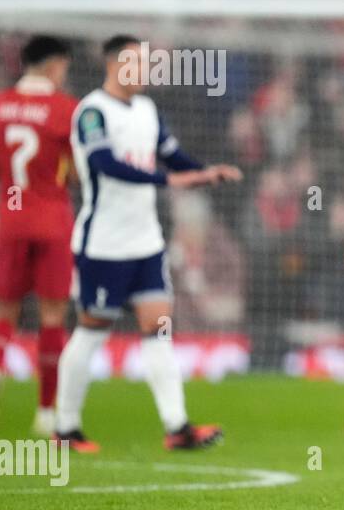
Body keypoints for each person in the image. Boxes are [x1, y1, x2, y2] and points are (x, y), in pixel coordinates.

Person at [54, 35, 238, 452]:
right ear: (116, 65)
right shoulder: (92, 112)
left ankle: (177, 427)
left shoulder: (147, 110)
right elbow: (105, 165)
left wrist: (205, 172)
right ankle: (65, 428)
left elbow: (170, 154)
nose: (147, 71)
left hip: (145, 241)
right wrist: (169, 180)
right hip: (103, 243)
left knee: (158, 327)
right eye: (138, 63)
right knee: (92, 329)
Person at [0, 36, 79, 435]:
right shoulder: (65, 109)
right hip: (52, 217)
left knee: (5, 310)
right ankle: (46, 414)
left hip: (13, 211)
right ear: (54, 66)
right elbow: (73, 172)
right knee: (52, 316)